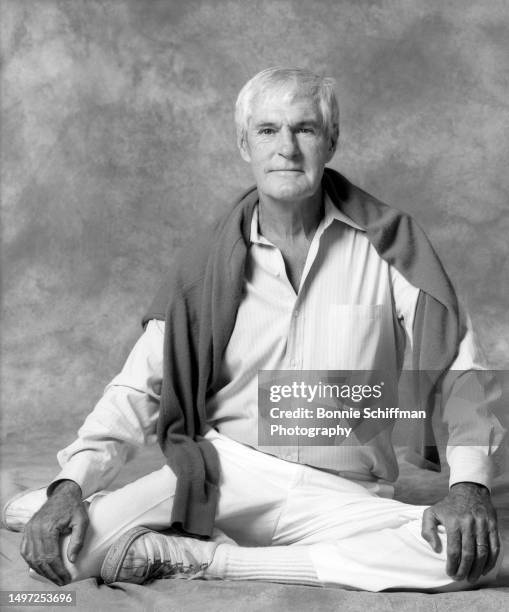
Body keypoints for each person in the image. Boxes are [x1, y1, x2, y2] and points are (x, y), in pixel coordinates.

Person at [6, 67, 505, 592]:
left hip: (342, 493)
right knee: (67, 549)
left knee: (465, 558)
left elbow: (461, 371)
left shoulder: (390, 247)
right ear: (244, 144)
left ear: (330, 141)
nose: (286, 148)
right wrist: (69, 486)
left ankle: (206, 559)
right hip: (224, 474)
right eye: (268, 130)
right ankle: (35, 503)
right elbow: (138, 387)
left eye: (305, 129)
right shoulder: (206, 263)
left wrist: (469, 484)